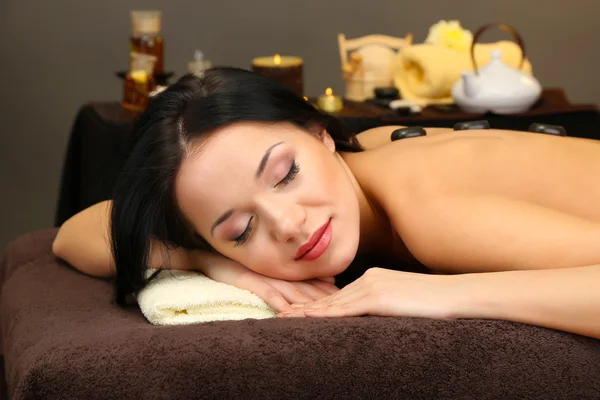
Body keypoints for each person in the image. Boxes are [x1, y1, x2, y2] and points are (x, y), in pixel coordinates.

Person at [53, 67, 600, 339]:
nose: (288, 225)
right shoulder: (357, 175)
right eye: (242, 230)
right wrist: (208, 261)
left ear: (320, 133)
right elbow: (77, 232)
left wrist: (436, 293)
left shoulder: (426, 207)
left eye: (285, 174)